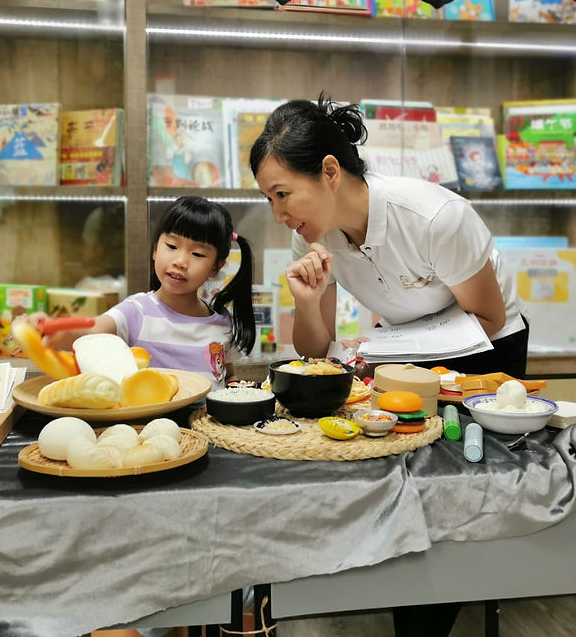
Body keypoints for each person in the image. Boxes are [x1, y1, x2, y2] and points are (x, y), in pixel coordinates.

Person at [250, 96, 529, 637]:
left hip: (485, 349)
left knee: (453, 483)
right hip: (403, 348)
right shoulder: (310, 233)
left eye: (282, 194)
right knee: (398, 474)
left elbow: (489, 317)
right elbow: (314, 354)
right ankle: (405, 598)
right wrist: (308, 303)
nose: (279, 213)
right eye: (269, 199)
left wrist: (391, 347)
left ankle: (427, 616)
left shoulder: (433, 217)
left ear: (330, 171)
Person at [44, 195, 256, 385]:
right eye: (171, 246)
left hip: (209, 419)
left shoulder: (221, 322)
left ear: (216, 267)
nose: (180, 262)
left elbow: (227, 376)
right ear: (155, 249)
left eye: (198, 254)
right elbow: (92, 331)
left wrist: (237, 390)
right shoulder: (137, 311)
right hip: (152, 418)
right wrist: (52, 330)